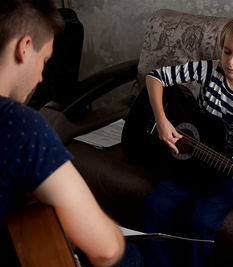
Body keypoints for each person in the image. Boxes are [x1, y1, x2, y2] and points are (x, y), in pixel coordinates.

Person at [0, 1, 142, 266]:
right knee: (129, 256)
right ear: (24, 47)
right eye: (44, 60)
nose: (41, 77)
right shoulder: (20, 124)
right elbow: (106, 249)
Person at [142, 14, 233, 267]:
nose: (231, 61)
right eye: (227, 51)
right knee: (155, 204)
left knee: (201, 221)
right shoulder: (208, 70)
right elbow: (155, 77)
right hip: (197, 160)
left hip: (231, 173)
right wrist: (162, 120)